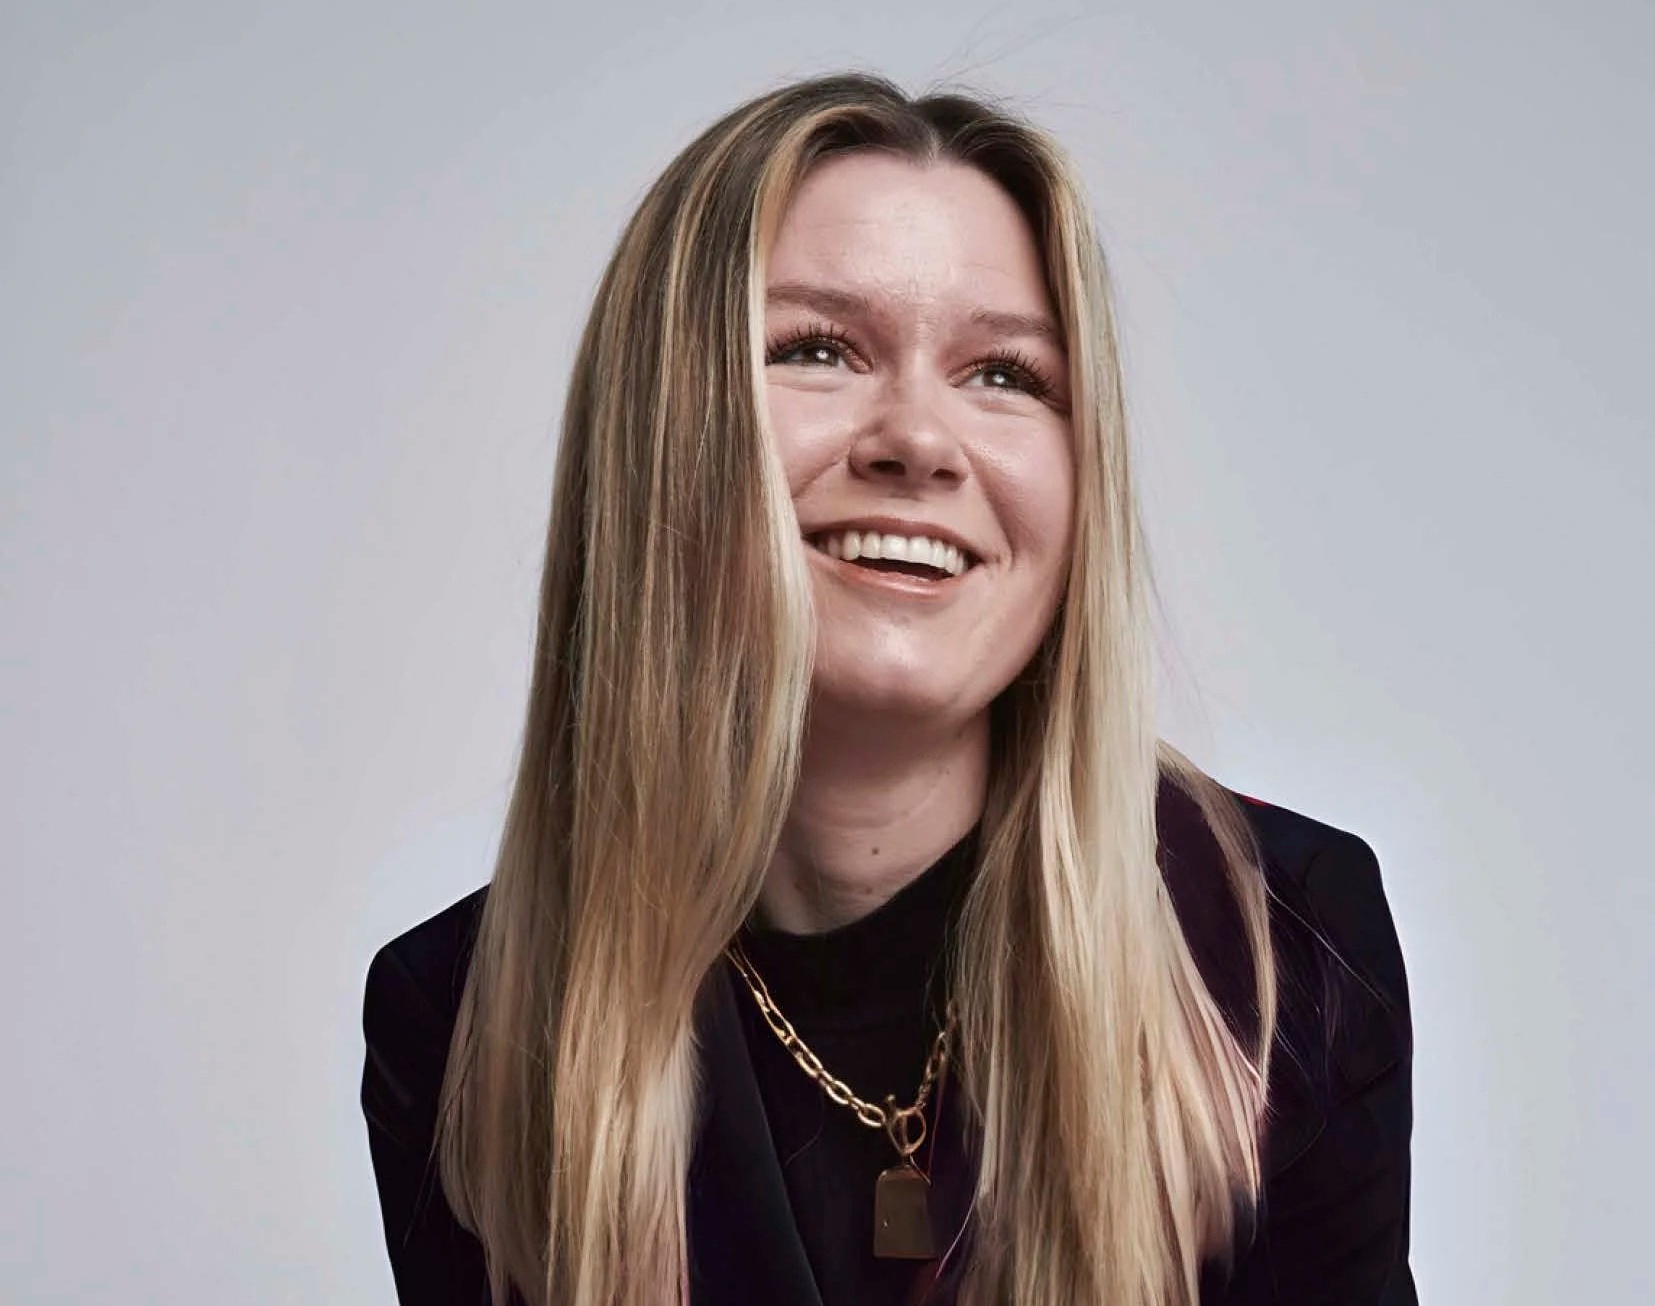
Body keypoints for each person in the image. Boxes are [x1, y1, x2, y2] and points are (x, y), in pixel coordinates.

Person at [358, 71, 1416, 1306]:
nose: (916, 438)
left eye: (1005, 374)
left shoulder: (1278, 949)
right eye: (818, 349)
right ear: (660, 441)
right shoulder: (465, 1023)